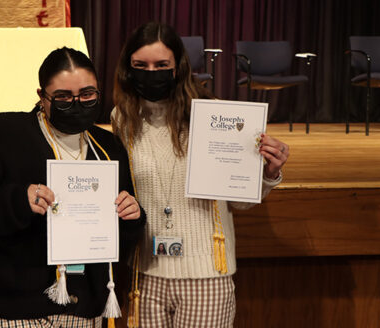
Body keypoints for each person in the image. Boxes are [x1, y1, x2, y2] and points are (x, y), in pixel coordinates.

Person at [0, 47, 146, 328]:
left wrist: (133, 216)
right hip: (9, 309)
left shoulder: (107, 146)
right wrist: (15, 202)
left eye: (87, 94)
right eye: (63, 97)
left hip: (83, 308)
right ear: (41, 96)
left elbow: (119, 236)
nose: (76, 103)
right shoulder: (0, 133)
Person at [111, 22, 289, 327]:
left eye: (161, 65)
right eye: (140, 65)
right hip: (145, 276)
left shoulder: (215, 116)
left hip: (207, 274)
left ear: (178, 67)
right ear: (128, 69)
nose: (151, 72)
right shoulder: (123, 118)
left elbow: (241, 202)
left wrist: (268, 173)